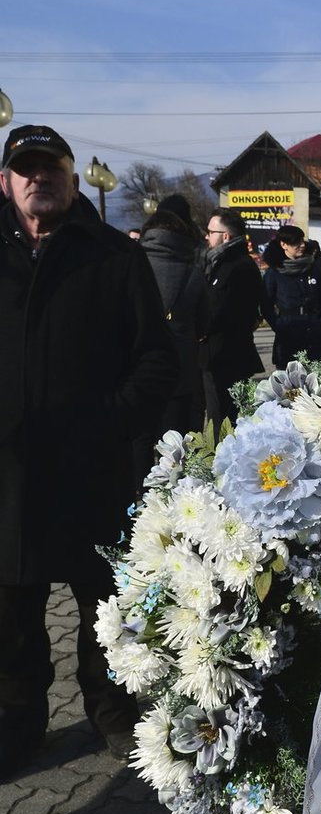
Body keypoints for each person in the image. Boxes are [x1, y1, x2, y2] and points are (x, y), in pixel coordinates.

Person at [0, 125, 177, 776]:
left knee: (102, 602)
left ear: (73, 180)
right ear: (6, 180)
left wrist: (106, 422)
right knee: (12, 612)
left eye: (52, 167)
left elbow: (156, 362)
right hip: (10, 474)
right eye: (26, 167)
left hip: (92, 469)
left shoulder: (112, 255)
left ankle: (112, 710)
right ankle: (19, 721)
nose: (38, 176)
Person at [133, 206, 208, 481]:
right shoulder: (193, 272)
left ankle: (139, 499)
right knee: (174, 441)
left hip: (136, 367)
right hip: (180, 368)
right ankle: (173, 499)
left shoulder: (130, 265)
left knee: (140, 439)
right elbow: (204, 324)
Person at [200, 208, 264, 426]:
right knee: (218, 416)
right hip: (217, 355)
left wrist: (201, 329)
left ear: (225, 236)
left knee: (226, 421)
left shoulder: (238, 266)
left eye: (210, 231)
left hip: (228, 356)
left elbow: (220, 310)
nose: (206, 236)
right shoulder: (218, 262)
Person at [261, 224, 321, 367]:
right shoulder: (274, 273)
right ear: (284, 245)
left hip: (313, 332)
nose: (301, 245)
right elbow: (265, 305)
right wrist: (279, 325)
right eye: (296, 242)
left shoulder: (313, 268)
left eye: (302, 241)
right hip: (288, 334)